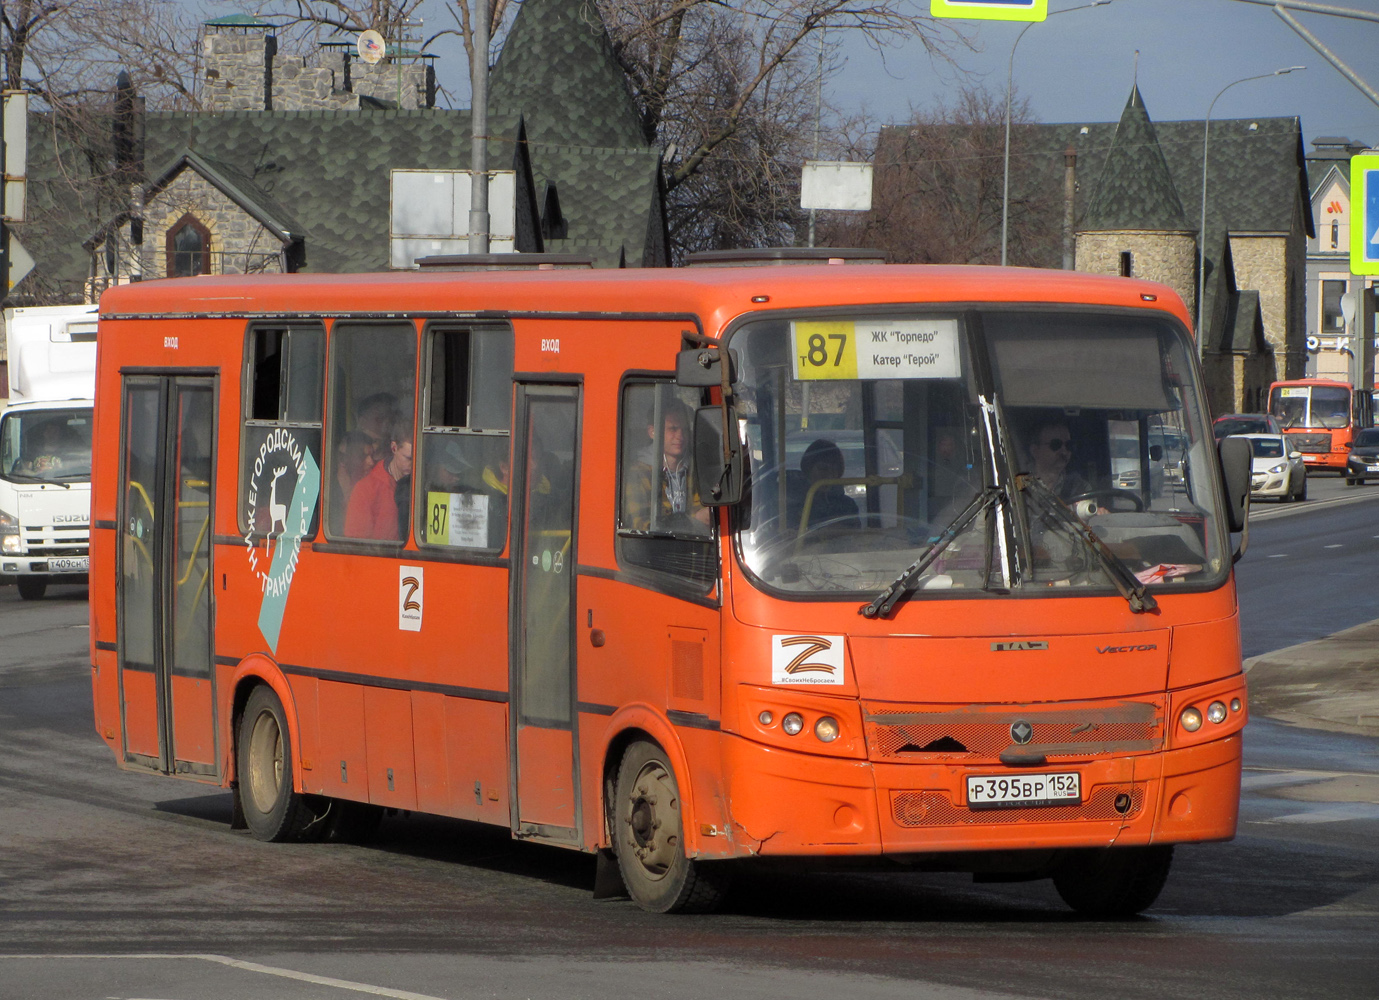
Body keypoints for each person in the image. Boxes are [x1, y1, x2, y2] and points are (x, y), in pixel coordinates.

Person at [624, 398, 710, 532]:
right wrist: (692, 521)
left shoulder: (695, 470)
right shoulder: (638, 473)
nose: (680, 436)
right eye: (673, 429)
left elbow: (701, 508)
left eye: (685, 429)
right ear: (652, 432)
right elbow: (640, 522)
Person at [345, 415, 413, 541]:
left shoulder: (422, 485)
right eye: (408, 458)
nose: (414, 465)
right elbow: (356, 546)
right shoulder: (366, 489)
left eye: (418, 459)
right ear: (394, 448)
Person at [789, 438, 859, 530]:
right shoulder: (794, 504)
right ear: (808, 468)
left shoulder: (847, 505)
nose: (829, 475)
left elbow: (855, 538)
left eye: (835, 469)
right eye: (823, 468)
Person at [1024, 417, 1091, 503]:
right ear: (1035, 451)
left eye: (1068, 445)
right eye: (1056, 445)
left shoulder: (1080, 487)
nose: (1064, 451)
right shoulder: (1019, 485)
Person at [330, 430, 376, 535]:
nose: (371, 462)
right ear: (343, 459)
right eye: (362, 456)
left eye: (372, 456)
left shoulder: (369, 491)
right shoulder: (327, 493)